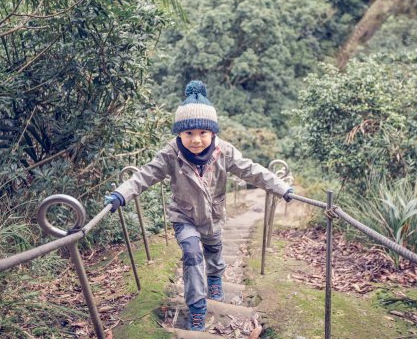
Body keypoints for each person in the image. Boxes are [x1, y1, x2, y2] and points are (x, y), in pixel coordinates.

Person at [104, 80, 294, 331]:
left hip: (214, 214)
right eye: (189, 133)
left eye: (202, 132)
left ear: (212, 132)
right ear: (179, 133)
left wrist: (281, 187)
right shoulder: (170, 154)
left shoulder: (224, 151)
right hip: (184, 215)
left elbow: (252, 170)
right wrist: (121, 194)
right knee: (192, 254)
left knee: (214, 249)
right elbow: (145, 175)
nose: (196, 139)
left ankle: (215, 277)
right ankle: (197, 307)